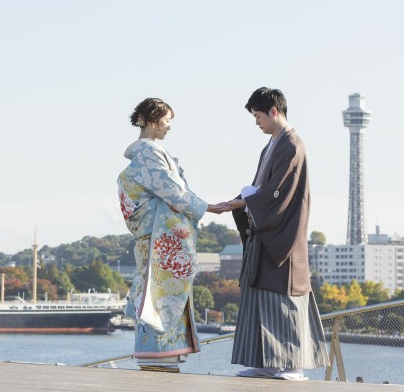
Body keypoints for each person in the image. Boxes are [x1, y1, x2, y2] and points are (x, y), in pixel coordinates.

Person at [218, 87, 328, 381]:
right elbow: (263, 190)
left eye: (258, 116)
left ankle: (293, 365)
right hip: (265, 234)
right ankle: (268, 362)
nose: (256, 122)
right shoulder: (271, 146)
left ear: (274, 111)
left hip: (282, 236)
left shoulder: (292, 144)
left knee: (284, 300)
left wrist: (244, 202)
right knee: (260, 298)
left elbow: (278, 193)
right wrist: (239, 202)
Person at [117, 97, 224, 372]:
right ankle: (159, 353)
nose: (168, 127)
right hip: (158, 238)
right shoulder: (148, 153)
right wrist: (207, 207)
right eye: (166, 121)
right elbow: (172, 190)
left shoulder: (145, 154)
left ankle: (160, 353)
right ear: (152, 121)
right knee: (160, 294)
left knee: (155, 292)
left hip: (152, 236)